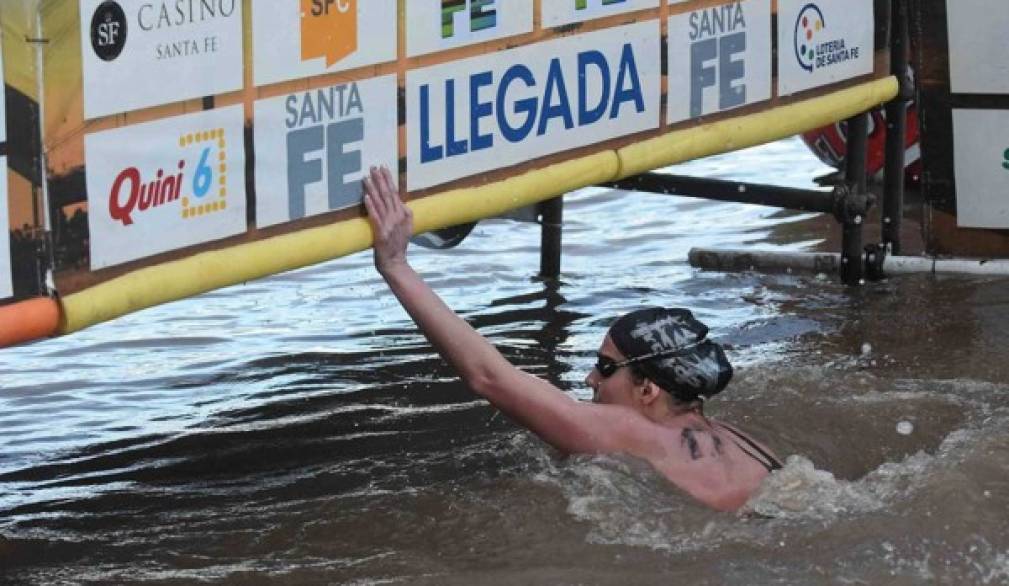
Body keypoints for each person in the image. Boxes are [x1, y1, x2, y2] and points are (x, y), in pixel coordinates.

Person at [362, 166, 782, 512]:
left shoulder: (631, 432)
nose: (590, 380)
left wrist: (395, 264)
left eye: (605, 367)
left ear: (648, 388)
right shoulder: (749, 447)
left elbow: (489, 377)